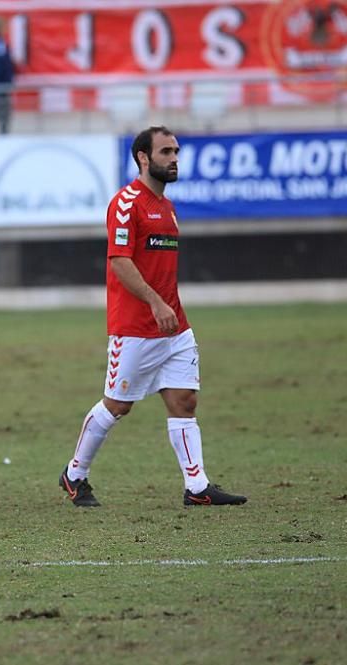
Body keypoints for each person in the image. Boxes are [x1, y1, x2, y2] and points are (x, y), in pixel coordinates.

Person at [59, 126, 247, 508]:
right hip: (135, 328)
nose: (174, 158)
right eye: (166, 152)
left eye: (176, 151)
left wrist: (168, 308)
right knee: (117, 406)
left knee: (184, 401)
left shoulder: (167, 208)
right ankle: (74, 474)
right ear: (144, 158)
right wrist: (155, 303)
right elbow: (120, 262)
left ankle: (197, 487)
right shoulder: (126, 203)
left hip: (174, 327)